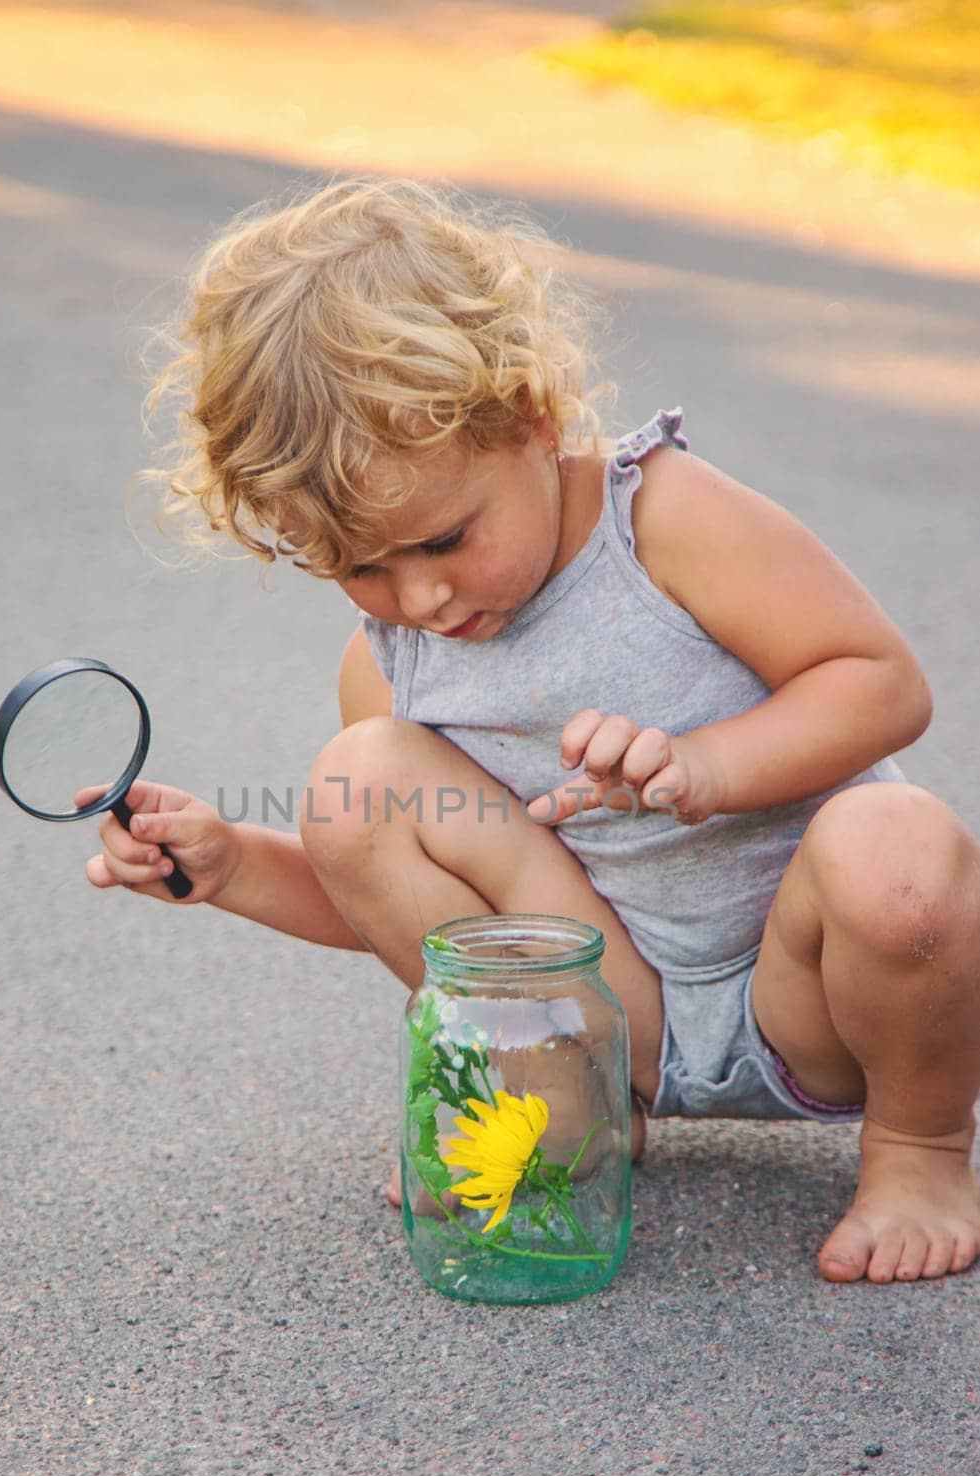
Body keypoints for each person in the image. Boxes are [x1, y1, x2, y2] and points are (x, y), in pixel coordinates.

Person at [80, 175, 980, 1286]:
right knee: (356, 785)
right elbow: (406, 905)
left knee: (896, 844)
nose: (417, 598)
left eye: (446, 539)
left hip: (819, 991)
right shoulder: (395, 657)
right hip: (617, 1014)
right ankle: (572, 1107)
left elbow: (881, 684)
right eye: (359, 566)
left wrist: (707, 765)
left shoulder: (657, 519)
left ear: (531, 419)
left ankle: (920, 1146)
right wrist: (231, 867)